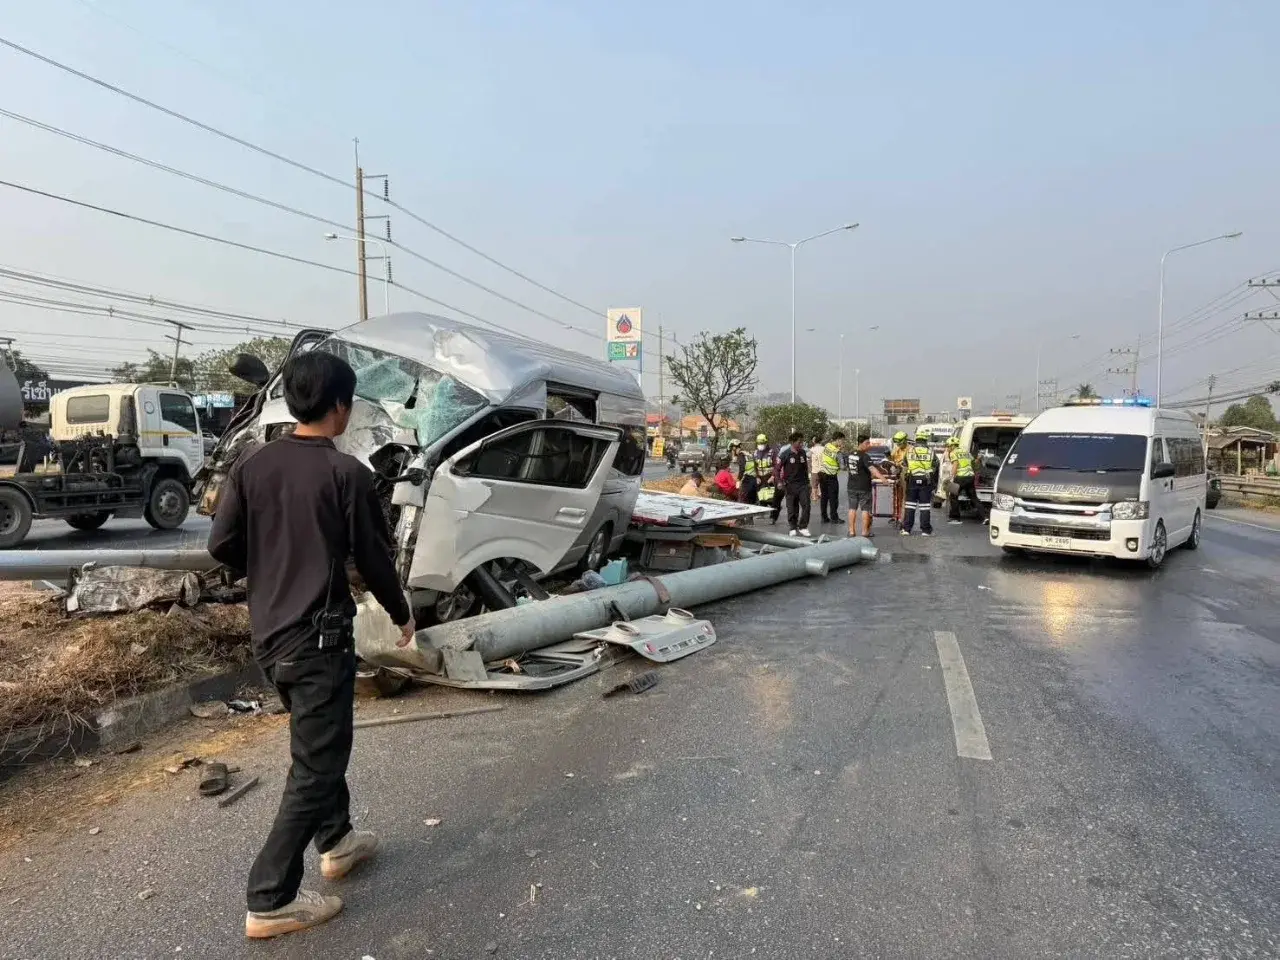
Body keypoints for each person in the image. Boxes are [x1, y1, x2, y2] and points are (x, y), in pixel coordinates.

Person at [208, 351, 415, 940]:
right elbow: (373, 559)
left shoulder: (251, 463)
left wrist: (274, 561)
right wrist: (402, 614)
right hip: (317, 642)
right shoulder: (347, 474)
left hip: (271, 637)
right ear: (341, 406)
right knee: (315, 766)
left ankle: (338, 840)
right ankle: (269, 898)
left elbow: (222, 545)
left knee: (317, 745)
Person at [900, 427, 939, 537]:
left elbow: (904, 466)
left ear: (916, 440)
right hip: (926, 481)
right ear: (925, 440)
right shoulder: (931, 452)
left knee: (910, 505)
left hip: (912, 480)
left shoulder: (909, 451)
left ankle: (906, 529)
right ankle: (925, 530)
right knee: (925, 507)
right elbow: (935, 466)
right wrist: (934, 483)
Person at [847, 438, 887, 539]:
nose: (869, 445)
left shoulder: (850, 454)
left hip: (851, 486)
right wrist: (882, 478)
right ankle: (865, 532)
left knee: (852, 508)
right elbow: (872, 469)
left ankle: (851, 531)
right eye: (867, 443)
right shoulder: (865, 456)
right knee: (865, 509)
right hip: (863, 487)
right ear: (860, 443)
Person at [775, 430, 812, 536]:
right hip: (790, 485)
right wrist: (779, 482)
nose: (801, 444)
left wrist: (808, 482)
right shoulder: (785, 454)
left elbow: (805, 468)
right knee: (792, 508)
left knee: (806, 505)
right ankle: (793, 527)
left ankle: (803, 526)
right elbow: (777, 469)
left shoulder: (803, 453)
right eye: (799, 442)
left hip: (803, 484)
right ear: (792, 442)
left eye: (802, 442)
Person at [946, 436, 977, 524]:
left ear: (953, 446)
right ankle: (983, 517)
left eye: (948, 446)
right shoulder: (966, 451)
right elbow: (973, 462)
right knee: (974, 498)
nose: (947, 448)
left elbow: (955, 464)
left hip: (960, 477)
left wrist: (951, 477)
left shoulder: (953, 453)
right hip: (970, 477)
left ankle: (955, 518)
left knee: (953, 496)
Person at [818, 431, 845, 524]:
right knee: (833, 498)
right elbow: (842, 467)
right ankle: (834, 518)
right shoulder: (838, 452)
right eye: (842, 440)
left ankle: (824, 517)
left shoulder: (827, 445)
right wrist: (841, 453)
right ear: (838, 439)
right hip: (831, 476)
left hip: (822, 474)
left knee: (824, 497)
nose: (843, 442)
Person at [740, 433, 773, 505]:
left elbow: (777, 466)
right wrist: (757, 477)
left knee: (772, 501)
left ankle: (774, 511)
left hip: (770, 479)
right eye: (759, 443)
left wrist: (773, 476)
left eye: (762, 443)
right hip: (760, 480)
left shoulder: (772, 452)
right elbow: (755, 466)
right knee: (761, 500)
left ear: (766, 443)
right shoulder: (755, 453)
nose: (760, 445)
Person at [888, 431, 910, 527]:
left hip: (905, 475)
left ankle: (902, 518)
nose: (898, 445)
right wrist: (888, 458)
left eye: (899, 443)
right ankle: (895, 516)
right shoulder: (897, 448)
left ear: (904, 441)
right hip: (897, 473)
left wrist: (900, 466)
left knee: (904, 497)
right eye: (897, 443)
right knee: (896, 496)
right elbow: (892, 459)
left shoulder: (910, 450)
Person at [808, 434, 825, 504]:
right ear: (820, 441)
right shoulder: (824, 449)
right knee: (823, 484)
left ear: (814, 441)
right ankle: (822, 495)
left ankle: (815, 497)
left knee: (814, 485)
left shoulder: (812, 449)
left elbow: (808, 456)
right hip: (823, 470)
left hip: (814, 470)